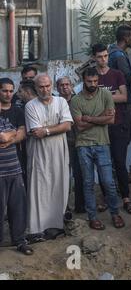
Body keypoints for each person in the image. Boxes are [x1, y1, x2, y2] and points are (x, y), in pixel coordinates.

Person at [70, 68, 125, 230]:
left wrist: (91, 118)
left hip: (102, 143)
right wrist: (101, 117)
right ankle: (92, 217)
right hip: (83, 145)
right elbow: (79, 126)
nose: (93, 84)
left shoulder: (106, 95)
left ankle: (115, 213)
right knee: (88, 183)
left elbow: (111, 119)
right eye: (89, 81)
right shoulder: (76, 100)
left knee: (108, 182)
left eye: (95, 81)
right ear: (84, 80)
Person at [25, 74, 73, 236]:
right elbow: (35, 131)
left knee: (59, 184)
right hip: (39, 153)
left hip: (59, 151)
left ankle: (56, 226)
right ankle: (37, 228)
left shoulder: (61, 102)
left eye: (47, 86)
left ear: (51, 85)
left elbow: (67, 126)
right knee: (39, 187)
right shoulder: (30, 106)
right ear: (36, 88)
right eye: (41, 87)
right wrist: (56, 126)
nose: (45, 90)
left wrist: (46, 130)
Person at [92, 44, 131, 214]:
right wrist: (112, 96)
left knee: (119, 162)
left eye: (105, 56)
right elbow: (90, 100)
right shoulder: (92, 76)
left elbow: (124, 97)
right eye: (99, 56)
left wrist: (102, 96)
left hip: (118, 124)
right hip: (99, 128)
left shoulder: (116, 74)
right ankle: (106, 197)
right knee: (104, 164)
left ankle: (126, 197)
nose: (103, 59)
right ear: (94, 58)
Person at [0, 78, 33, 255]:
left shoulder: (17, 111)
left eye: (11, 91)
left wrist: (10, 135)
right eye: (5, 91)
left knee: (18, 207)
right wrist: (12, 134)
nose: (8, 94)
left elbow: (22, 133)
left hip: (15, 168)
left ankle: (20, 241)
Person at [56, 77, 85, 214]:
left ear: (72, 86)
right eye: (61, 85)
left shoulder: (79, 100)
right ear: (57, 88)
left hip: (79, 143)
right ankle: (63, 207)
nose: (64, 87)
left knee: (79, 176)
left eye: (67, 84)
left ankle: (80, 206)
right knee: (62, 177)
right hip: (61, 145)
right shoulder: (55, 102)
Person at [108, 25, 131, 142]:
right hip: (122, 105)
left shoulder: (111, 51)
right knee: (123, 138)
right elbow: (127, 77)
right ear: (125, 37)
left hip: (114, 99)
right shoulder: (119, 56)